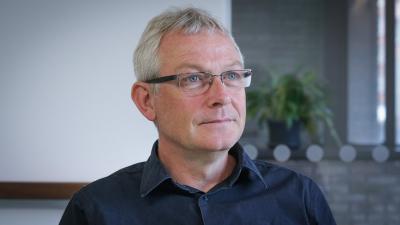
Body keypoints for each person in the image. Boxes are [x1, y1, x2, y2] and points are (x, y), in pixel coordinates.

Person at [59, 7, 336, 225]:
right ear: (146, 100)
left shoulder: (300, 198)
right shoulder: (94, 211)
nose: (222, 96)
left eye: (231, 75)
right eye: (192, 78)